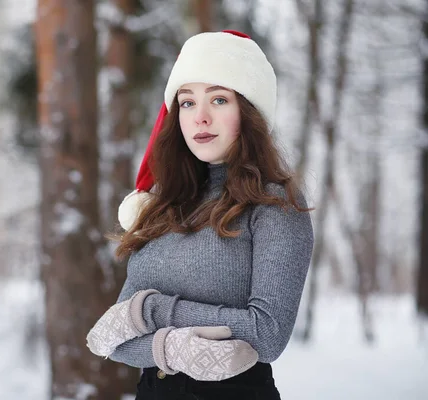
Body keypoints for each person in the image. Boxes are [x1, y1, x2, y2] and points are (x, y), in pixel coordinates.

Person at [86, 29, 314, 400]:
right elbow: (117, 342)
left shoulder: (274, 204)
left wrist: (152, 312)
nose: (200, 117)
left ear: (249, 110)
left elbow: (267, 334)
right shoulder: (161, 205)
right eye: (188, 103)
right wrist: (173, 349)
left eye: (219, 100)